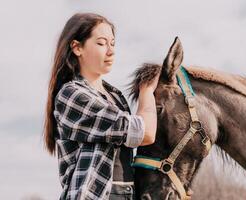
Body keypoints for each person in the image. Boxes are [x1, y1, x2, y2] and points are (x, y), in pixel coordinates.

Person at [43, 12, 159, 200]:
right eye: (101, 43)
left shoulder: (115, 96)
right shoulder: (72, 95)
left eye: (112, 43)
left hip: (128, 193)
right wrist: (146, 90)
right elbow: (144, 133)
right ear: (77, 47)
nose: (111, 51)